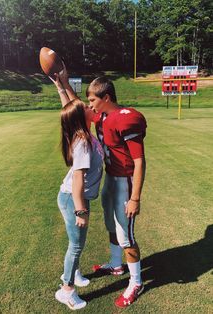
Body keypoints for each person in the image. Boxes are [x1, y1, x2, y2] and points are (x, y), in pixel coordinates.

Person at [86, 77, 147, 308]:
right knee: (110, 226)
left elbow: (140, 162)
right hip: (110, 177)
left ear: (106, 98)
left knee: (126, 236)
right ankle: (116, 264)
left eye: (92, 99)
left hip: (125, 181)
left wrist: (135, 198)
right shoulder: (101, 115)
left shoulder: (126, 119)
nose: (90, 104)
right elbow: (76, 106)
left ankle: (136, 282)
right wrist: (61, 83)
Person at [52, 75, 104, 310]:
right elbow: (77, 181)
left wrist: (61, 87)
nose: (89, 106)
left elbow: (71, 106)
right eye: (86, 107)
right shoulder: (83, 142)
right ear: (82, 117)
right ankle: (67, 290)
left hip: (76, 198)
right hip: (74, 199)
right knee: (75, 245)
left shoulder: (84, 131)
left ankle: (76, 273)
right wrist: (80, 211)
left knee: (77, 243)